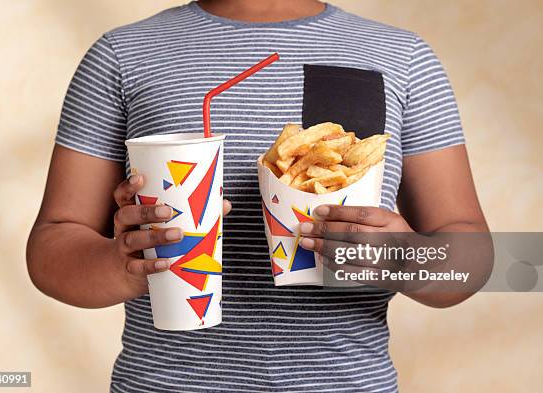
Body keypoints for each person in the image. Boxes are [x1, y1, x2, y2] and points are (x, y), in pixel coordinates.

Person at [26, 0, 489, 391]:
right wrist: (120, 265)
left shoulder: (401, 57)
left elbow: (472, 254)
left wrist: (408, 259)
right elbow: (52, 245)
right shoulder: (121, 55)